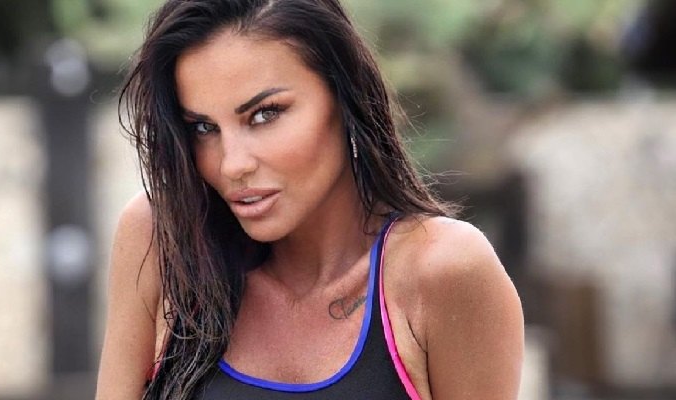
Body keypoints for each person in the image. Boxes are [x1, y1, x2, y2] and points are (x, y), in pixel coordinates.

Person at [96, 0, 524, 399]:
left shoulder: (442, 271)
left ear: (344, 97)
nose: (232, 165)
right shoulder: (164, 239)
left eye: (265, 114)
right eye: (203, 128)